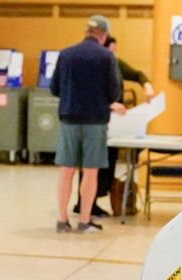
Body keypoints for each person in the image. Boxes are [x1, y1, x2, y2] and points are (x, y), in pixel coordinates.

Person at [50, 14, 126, 233]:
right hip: (95, 121)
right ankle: (84, 220)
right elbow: (114, 92)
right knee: (90, 172)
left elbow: (54, 88)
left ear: (87, 32)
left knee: (67, 171)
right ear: (103, 35)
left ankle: (62, 220)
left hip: (69, 119)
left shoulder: (66, 54)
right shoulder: (106, 57)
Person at [75, 34, 156, 218]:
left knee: (108, 162)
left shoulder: (116, 64)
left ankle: (93, 200)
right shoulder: (93, 65)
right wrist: (109, 104)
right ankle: (85, 203)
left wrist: (147, 86)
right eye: (111, 50)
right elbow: (90, 94)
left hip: (114, 122)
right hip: (96, 119)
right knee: (92, 163)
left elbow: (137, 74)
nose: (113, 54)